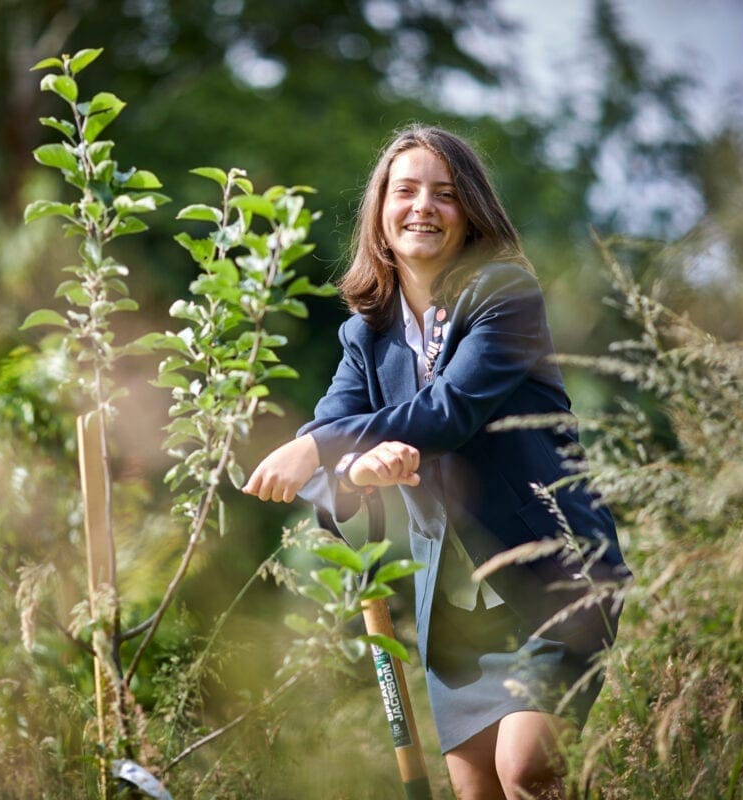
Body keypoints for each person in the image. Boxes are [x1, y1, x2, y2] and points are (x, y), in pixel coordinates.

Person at [242, 125, 629, 800]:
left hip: (556, 578)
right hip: (456, 612)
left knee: (529, 771)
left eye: (445, 194)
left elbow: (448, 414)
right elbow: (334, 484)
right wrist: (357, 472)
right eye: (407, 191)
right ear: (381, 215)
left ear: (469, 213)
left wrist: (318, 444)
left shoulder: (504, 295)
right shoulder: (364, 336)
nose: (423, 206)